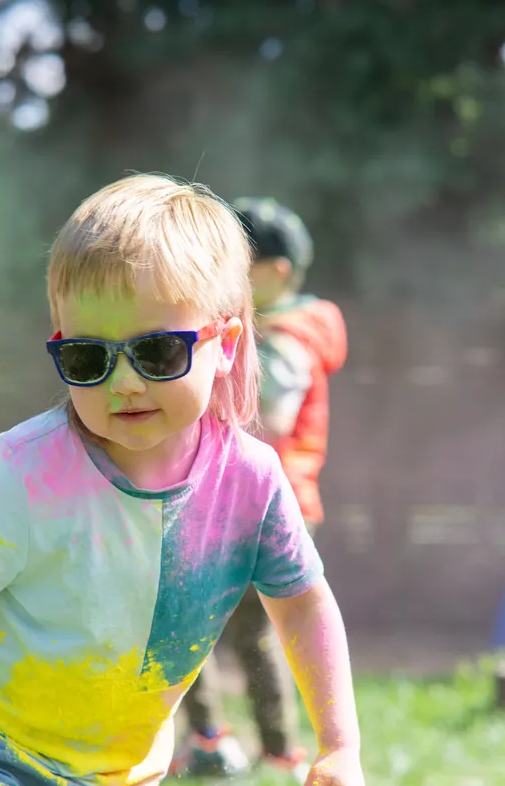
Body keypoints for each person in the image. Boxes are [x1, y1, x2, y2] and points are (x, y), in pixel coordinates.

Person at [0, 174, 364, 786]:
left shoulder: (251, 480)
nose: (125, 384)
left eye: (158, 352)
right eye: (89, 357)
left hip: (117, 766)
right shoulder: (30, 470)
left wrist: (339, 746)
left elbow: (302, 608)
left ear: (225, 346)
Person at [170, 197, 348, 780]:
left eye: (233, 266)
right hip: (267, 497)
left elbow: (268, 415)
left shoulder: (287, 338)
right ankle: (261, 748)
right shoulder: (294, 328)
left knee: (197, 619)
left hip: (262, 501)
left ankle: (227, 741)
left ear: (275, 272)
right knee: (239, 628)